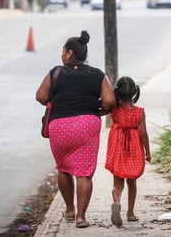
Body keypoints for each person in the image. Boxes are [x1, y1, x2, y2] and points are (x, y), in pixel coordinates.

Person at [36, 31, 115, 228]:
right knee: (84, 172)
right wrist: (98, 110)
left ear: (69, 53)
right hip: (87, 125)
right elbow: (110, 101)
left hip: (59, 126)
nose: (62, 54)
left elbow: (40, 96)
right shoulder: (97, 74)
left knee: (63, 168)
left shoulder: (55, 72)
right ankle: (81, 217)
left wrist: (56, 102)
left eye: (63, 51)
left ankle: (69, 210)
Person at [104, 76, 151, 227]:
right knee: (132, 182)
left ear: (116, 93)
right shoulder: (139, 112)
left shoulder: (115, 109)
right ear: (135, 92)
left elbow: (103, 105)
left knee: (118, 183)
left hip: (118, 147)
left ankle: (116, 202)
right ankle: (130, 213)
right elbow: (143, 133)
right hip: (134, 148)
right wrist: (147, 152)